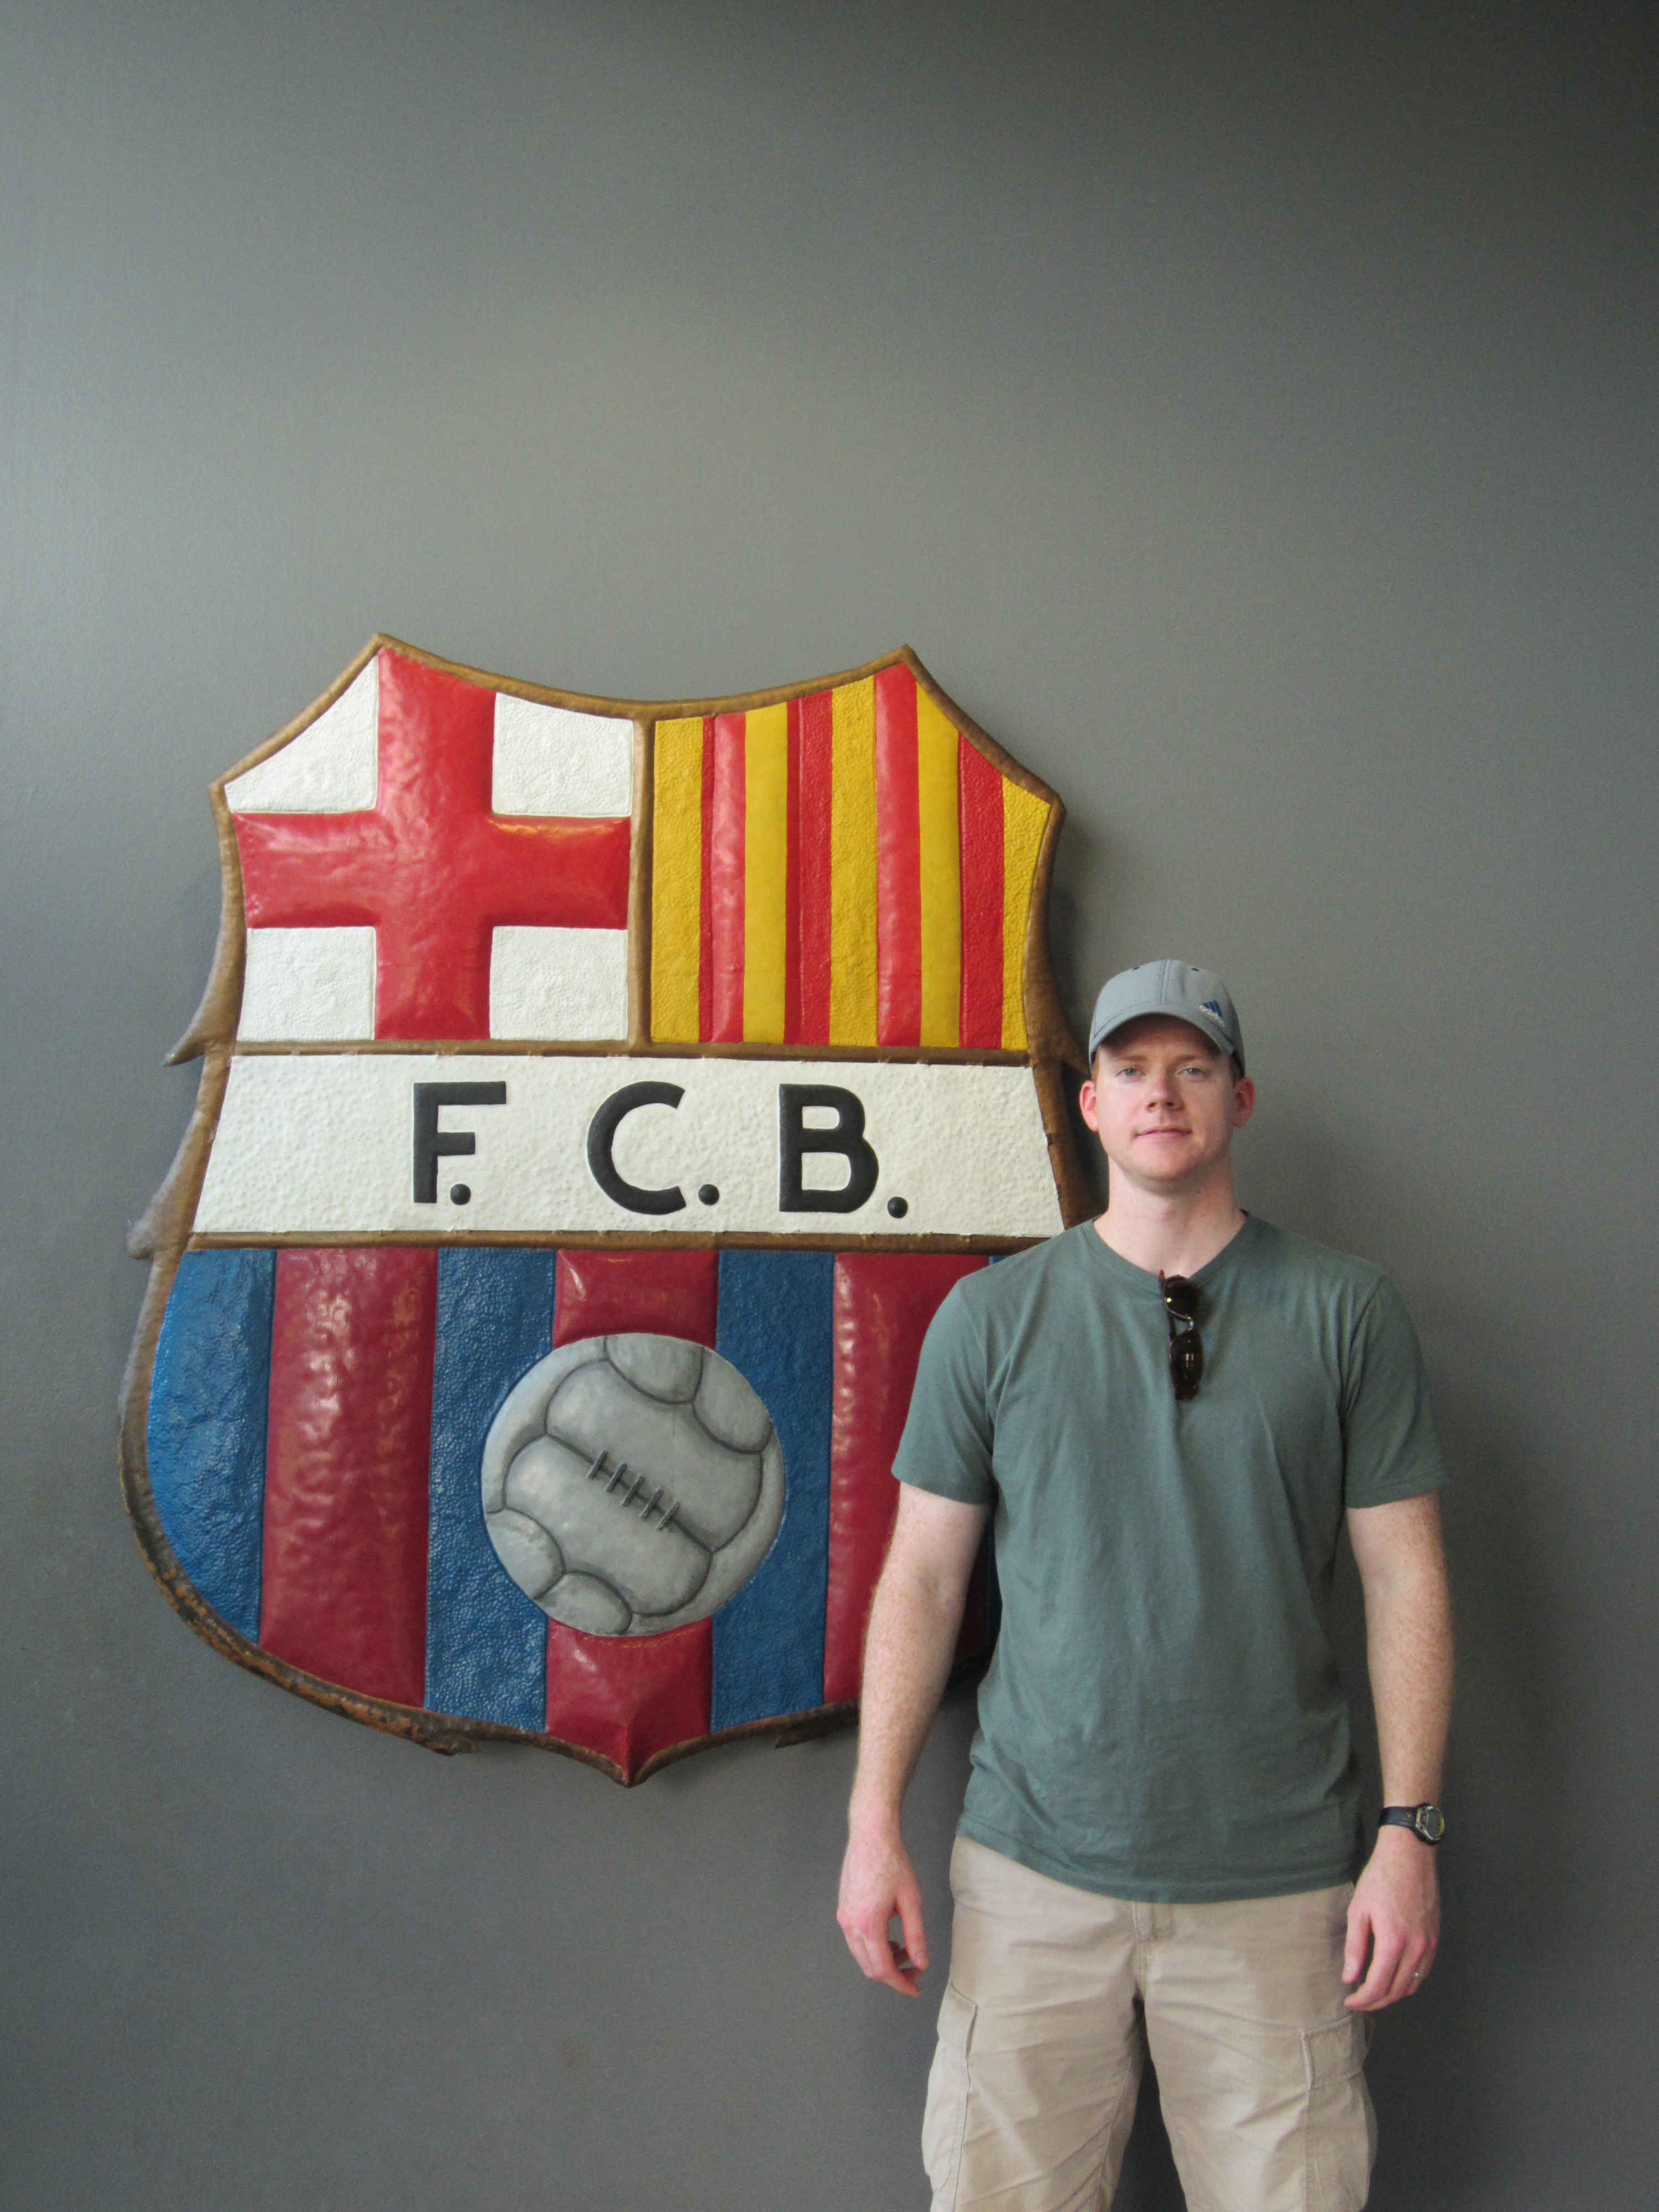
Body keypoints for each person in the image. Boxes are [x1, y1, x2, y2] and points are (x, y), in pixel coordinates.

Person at [836, 959, 1452, 2212]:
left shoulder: (1347, 1310)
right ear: (1092, 1104)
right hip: (1032, 1876)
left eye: (1192, 1067)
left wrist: (1410, 1830)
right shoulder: (992, 1317)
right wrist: (871, 1822)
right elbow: (924, 1580)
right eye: (1130, 1069)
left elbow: (1406, 1580)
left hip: (1279, 1882)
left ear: (1240, 1096)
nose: (1160, 1094)